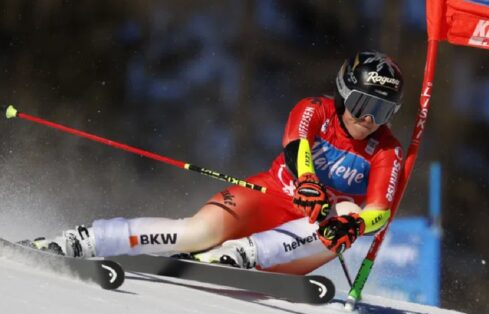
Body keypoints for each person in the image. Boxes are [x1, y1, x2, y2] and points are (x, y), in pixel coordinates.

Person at [24, 50, 406, 275]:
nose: (369, 119)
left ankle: (243, 254)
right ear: (344, 93)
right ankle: (84, 240)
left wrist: (354, 224)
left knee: (344, 210)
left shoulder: (387, 150)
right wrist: (306, 179)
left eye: (382, 110)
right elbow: (296, 144)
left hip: (307, 238)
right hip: (269, 195)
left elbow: (379, 212)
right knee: (195, 233)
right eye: (363, 104)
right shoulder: (315, 109)